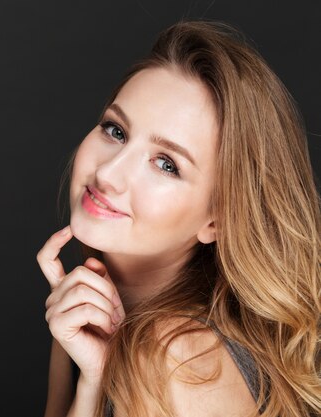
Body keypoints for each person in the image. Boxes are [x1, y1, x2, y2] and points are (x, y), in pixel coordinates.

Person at [36, 20, 321, 417]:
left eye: (166, 164)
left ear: (216, 221)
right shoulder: (86, 307)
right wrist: (93, 384)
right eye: (115, 130)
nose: (108, 173)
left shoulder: (175, 358)